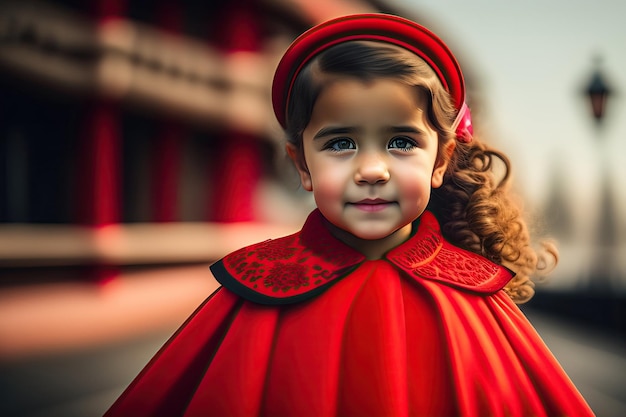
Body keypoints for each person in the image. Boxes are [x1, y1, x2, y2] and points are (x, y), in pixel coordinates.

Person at [104, 14, 594, 417]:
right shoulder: (254, 290)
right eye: (341, 143)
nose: (372, 170)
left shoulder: (479, 299)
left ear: (441, 161)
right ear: (303, 165)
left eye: (401, 141)